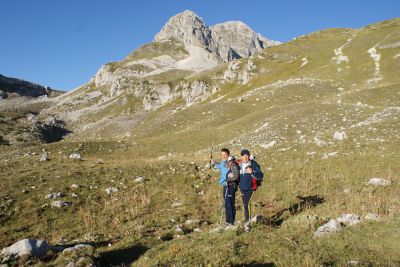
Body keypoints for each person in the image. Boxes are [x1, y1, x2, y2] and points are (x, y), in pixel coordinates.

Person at [211, 148, 240, 227]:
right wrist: (214, 163)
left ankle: (231, 222)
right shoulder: (224, 162)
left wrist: (229, 179)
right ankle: (228, 221)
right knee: (227, 203)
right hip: (225, 185)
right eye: (222, 155)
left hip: (230, 185)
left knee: (230, 203)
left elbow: (236, 175)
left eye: (225, 155)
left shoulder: (232, 162)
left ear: (228, 154)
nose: (224, 156)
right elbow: (221, 167)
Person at [238, 149, 263, 231]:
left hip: (251, 188)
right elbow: (233, 173)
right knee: (245, 205)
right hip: (242, 188)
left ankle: (247, 225)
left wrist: (252, 173)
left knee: (247, 204)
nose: (245, 157)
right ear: (241, 157)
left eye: (246, 155)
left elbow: (261, 175)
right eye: (243, 155)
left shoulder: (254, 164)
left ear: (249, 156)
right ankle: (246, 221)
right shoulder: (239, 165)